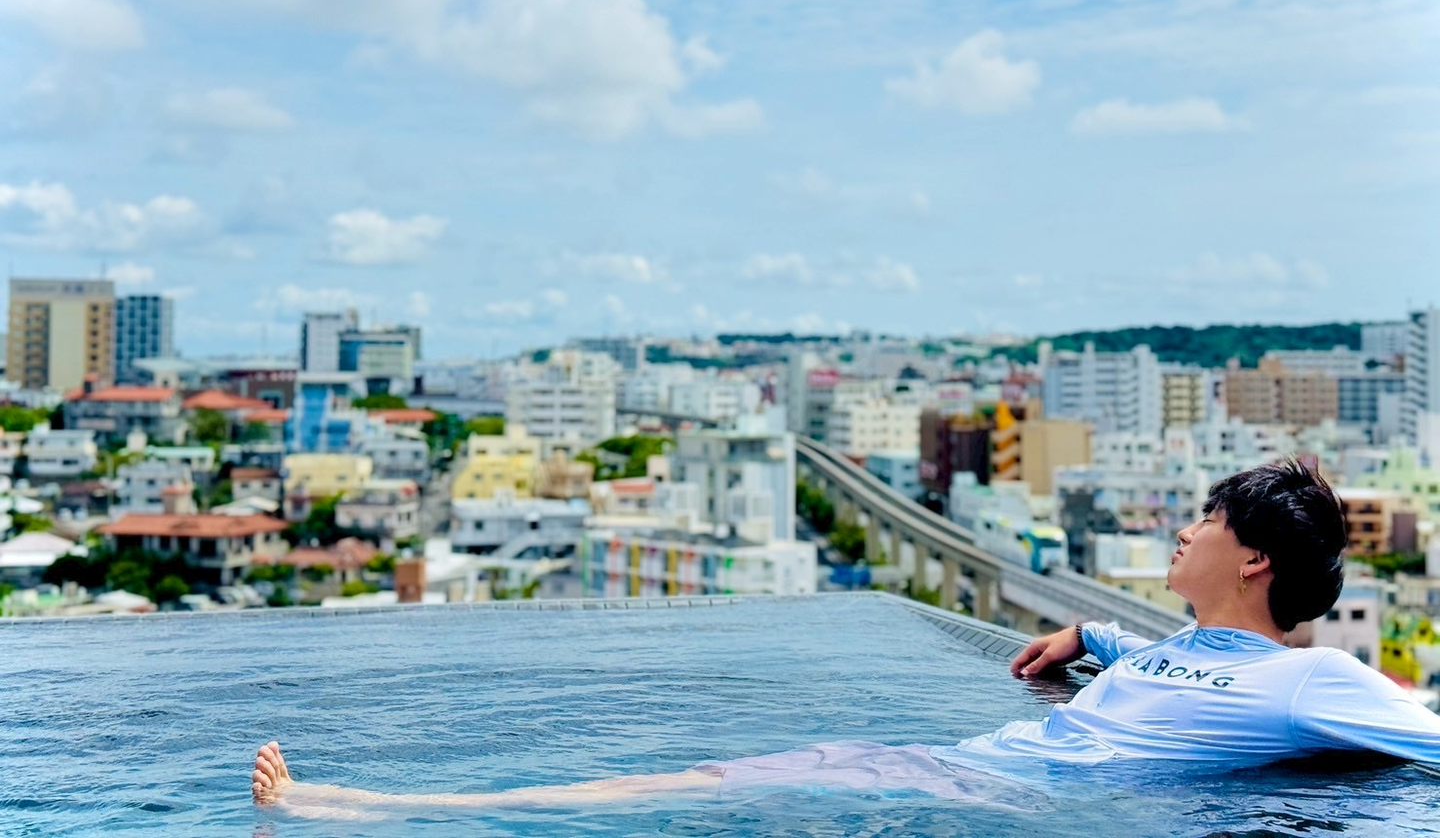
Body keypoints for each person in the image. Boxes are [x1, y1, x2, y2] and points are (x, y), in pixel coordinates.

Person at [251, 458, 1440, 819]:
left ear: (1253, 560)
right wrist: (1084, 631)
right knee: (732, 775)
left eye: (1206, 520)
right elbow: (1143, 661)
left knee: (713, 781)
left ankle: (385, 810)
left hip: (1002, 795)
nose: (1181, 531)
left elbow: (1420, 732)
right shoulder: (1178, 648)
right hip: (970, 767)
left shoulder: (1309, 681)